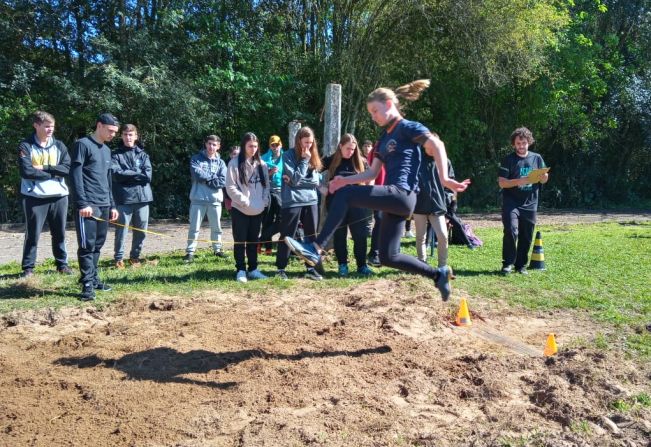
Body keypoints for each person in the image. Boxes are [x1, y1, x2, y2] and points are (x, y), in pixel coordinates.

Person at [284, 80, 470, 301]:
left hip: (403, 194)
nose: (373, 117)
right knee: (390, 256)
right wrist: (343, 181)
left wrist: (444, 178)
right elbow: (371, 174)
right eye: (370, 113)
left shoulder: (408, 127)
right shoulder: (383, 140)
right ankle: (437, 275)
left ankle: (315, 248)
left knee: (346, 195)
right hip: (394, 201)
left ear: (389, 104)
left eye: (375, 111)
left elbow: (437, 146)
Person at [69, 113, 120, 301]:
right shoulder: (82, 145)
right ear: (99, 126)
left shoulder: (106, 150)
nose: (113, 135)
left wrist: (113, 204)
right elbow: (75, 175)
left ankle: (94, 278)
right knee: (87, 245)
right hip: (88, 205)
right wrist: (82, 203)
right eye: (110, 130)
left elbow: (108, 180)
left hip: (104, 204)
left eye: (115, 132)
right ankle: (87, 285)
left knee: (98, 244)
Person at [18, 111, 72, 277]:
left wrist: (46, 168)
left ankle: (62, 265)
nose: (50, 130)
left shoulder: (60, 146)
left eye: (52, 127)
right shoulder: (25, 146)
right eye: (47, 126)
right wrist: (53, 174)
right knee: (32, 234)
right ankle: (28, 268)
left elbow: (67, 169)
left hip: (59, 197)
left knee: (60, 233)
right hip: (34, 197)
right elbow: (27, 172)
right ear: (36, 125)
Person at [498, 127, 549, 275]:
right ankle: (507, 263)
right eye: (518, 143)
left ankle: (521, 266)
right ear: (513, 144)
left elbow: (545, 178)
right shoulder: (508, 160)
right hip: (511, 202)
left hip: (530, 203)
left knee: (526, 235)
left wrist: (544, 177)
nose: (521, 146)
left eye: (524, 143)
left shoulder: (537, 158)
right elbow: (502, 182)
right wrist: (522, 180)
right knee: (511, 230)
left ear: (529, 143)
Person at [275, 126, 323, 281]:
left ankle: (310, 268)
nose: (308, 146)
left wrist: (297, 181)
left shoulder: (313, 155)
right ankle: (281, 269)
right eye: (305, 142)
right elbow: (294, 179)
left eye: (310, 142)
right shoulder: (288, 155)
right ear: (298, 140)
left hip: (311, 201)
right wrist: (304, 161)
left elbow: (315, 181)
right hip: (293, 201)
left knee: (311, 235)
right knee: (287, 235)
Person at [322, 134, 373, 277]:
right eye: (347, 148)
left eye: (353, 149)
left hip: (357, 205)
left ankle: (362, 265)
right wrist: (322, 187)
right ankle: (342, 265)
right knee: (339, 235)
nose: (350, 151)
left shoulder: (361, 161)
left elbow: (371, 177)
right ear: (340, 146)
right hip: (336, 205)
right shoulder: (331, 160)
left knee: (360, 236)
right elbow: (312, 169)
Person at [225, 132, 270, 282]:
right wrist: (244, 201)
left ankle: (253, 269)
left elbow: (266, 187)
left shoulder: (262, 164)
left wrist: (263, 202)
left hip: (257, 210)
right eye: (250, 146)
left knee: (253, 241)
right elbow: (230, 187)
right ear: (244, 145)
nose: (253, 149)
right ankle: (241, 270)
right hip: (240, 209)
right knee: (240, 241)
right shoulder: (234, 164)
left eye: (256, 146)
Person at [111, 124, 153, 268]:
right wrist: (137, 173)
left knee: (141, 231)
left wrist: (128, 173)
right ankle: (118, 259)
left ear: (136, 136)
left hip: (143, 198)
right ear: (121, 136)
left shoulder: (143, 154)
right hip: (124, 198)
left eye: (131, 135)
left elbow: (147, 176)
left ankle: (135, 257)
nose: (128, 137)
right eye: (125, 134)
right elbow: (116, 175)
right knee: (121, 230)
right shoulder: (115, 154)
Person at [184, 135, 228, 263]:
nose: (211, 147)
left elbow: (222, 181)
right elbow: (197, 175)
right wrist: (212, 178)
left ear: (218, 147)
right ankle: (190, 252)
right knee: (194, 227)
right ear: (205, 144)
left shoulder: (221, 163)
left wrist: (208, 180)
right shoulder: (196, 159)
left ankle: (217, 249)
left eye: (214, 145)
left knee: (216, 227)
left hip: (215, 200)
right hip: (198, 198)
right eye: (209, 144)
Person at [413, 158, 453, 267]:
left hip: (437, 205)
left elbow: (450, 185)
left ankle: (442, 267)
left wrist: (447, 200)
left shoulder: (445, 161)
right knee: (420, 236)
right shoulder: (416, 159)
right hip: (419, 204)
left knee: (443, 236)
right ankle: (422, 264)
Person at [259, 135, 284, 255]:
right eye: (273, 145)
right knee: (267, 219)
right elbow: (258, 179)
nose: (275, 147)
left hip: (282, 192)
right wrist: (269, 173)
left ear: (281, 145)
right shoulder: (263, 159)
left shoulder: (287, 158)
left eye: (277, 144)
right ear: (270, 146)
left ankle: (260, 240)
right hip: (267, 191)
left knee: (282, 220)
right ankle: (268, 248)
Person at [366, 142, 385, 267]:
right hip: (377, 191)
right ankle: (374, 253)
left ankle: (380, 252)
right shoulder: (378, 148)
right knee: (380, 220)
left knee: (384, 221)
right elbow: (372, 170)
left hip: (388, 190)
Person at [223, 146, 240, 213]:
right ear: (230, 155)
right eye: (234, 154)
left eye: (239, 154)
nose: (237, 156)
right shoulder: (225, 166)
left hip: (242, 196)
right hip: (229, 196)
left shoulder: (245, 166)